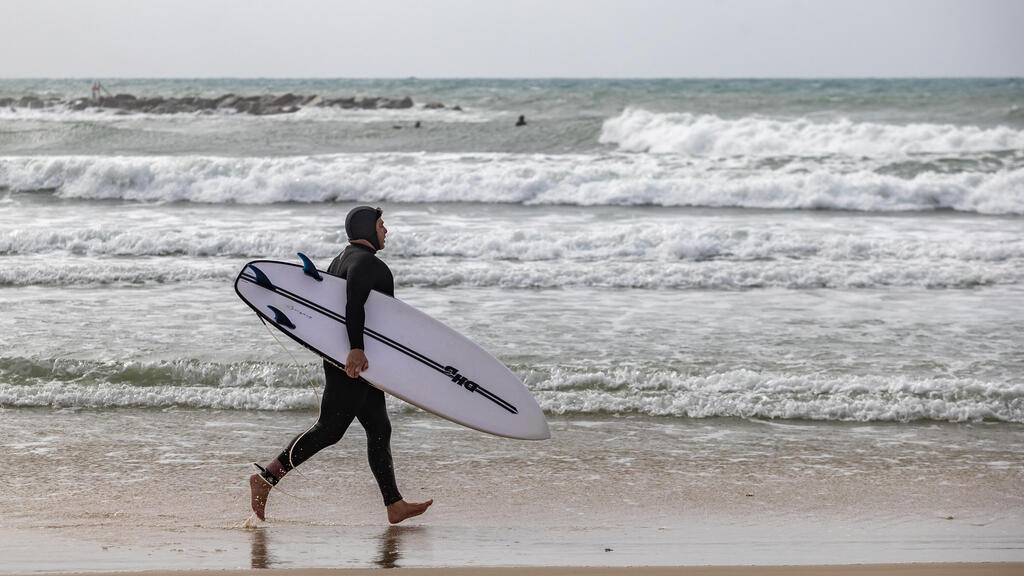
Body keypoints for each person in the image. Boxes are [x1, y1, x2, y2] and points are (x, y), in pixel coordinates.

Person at [249, 206, 433, 524]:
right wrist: (357, 350)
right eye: (381, 224)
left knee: (379, 428)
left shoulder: (343, 259)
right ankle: (267, 477)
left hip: (353, 356)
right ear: (367, 229)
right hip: (354, 358)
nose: (385, 230)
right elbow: (352, 306)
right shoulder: (368, 264)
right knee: (330, 429)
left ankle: (394, 504)